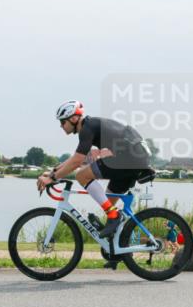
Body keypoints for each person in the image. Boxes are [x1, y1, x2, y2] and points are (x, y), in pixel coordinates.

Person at [37, 100, 152, 240]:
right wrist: (53, 172)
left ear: (73, 119)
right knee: (109, 205)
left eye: (62, 122)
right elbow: (76, 158)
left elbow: (77, 162)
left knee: (81, 176)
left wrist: (52, 179)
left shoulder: (87, 128)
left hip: (127, 160)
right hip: (133, 159)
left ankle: (114, 216)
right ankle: (116, 252)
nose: (61, 126)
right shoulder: (91, 126)